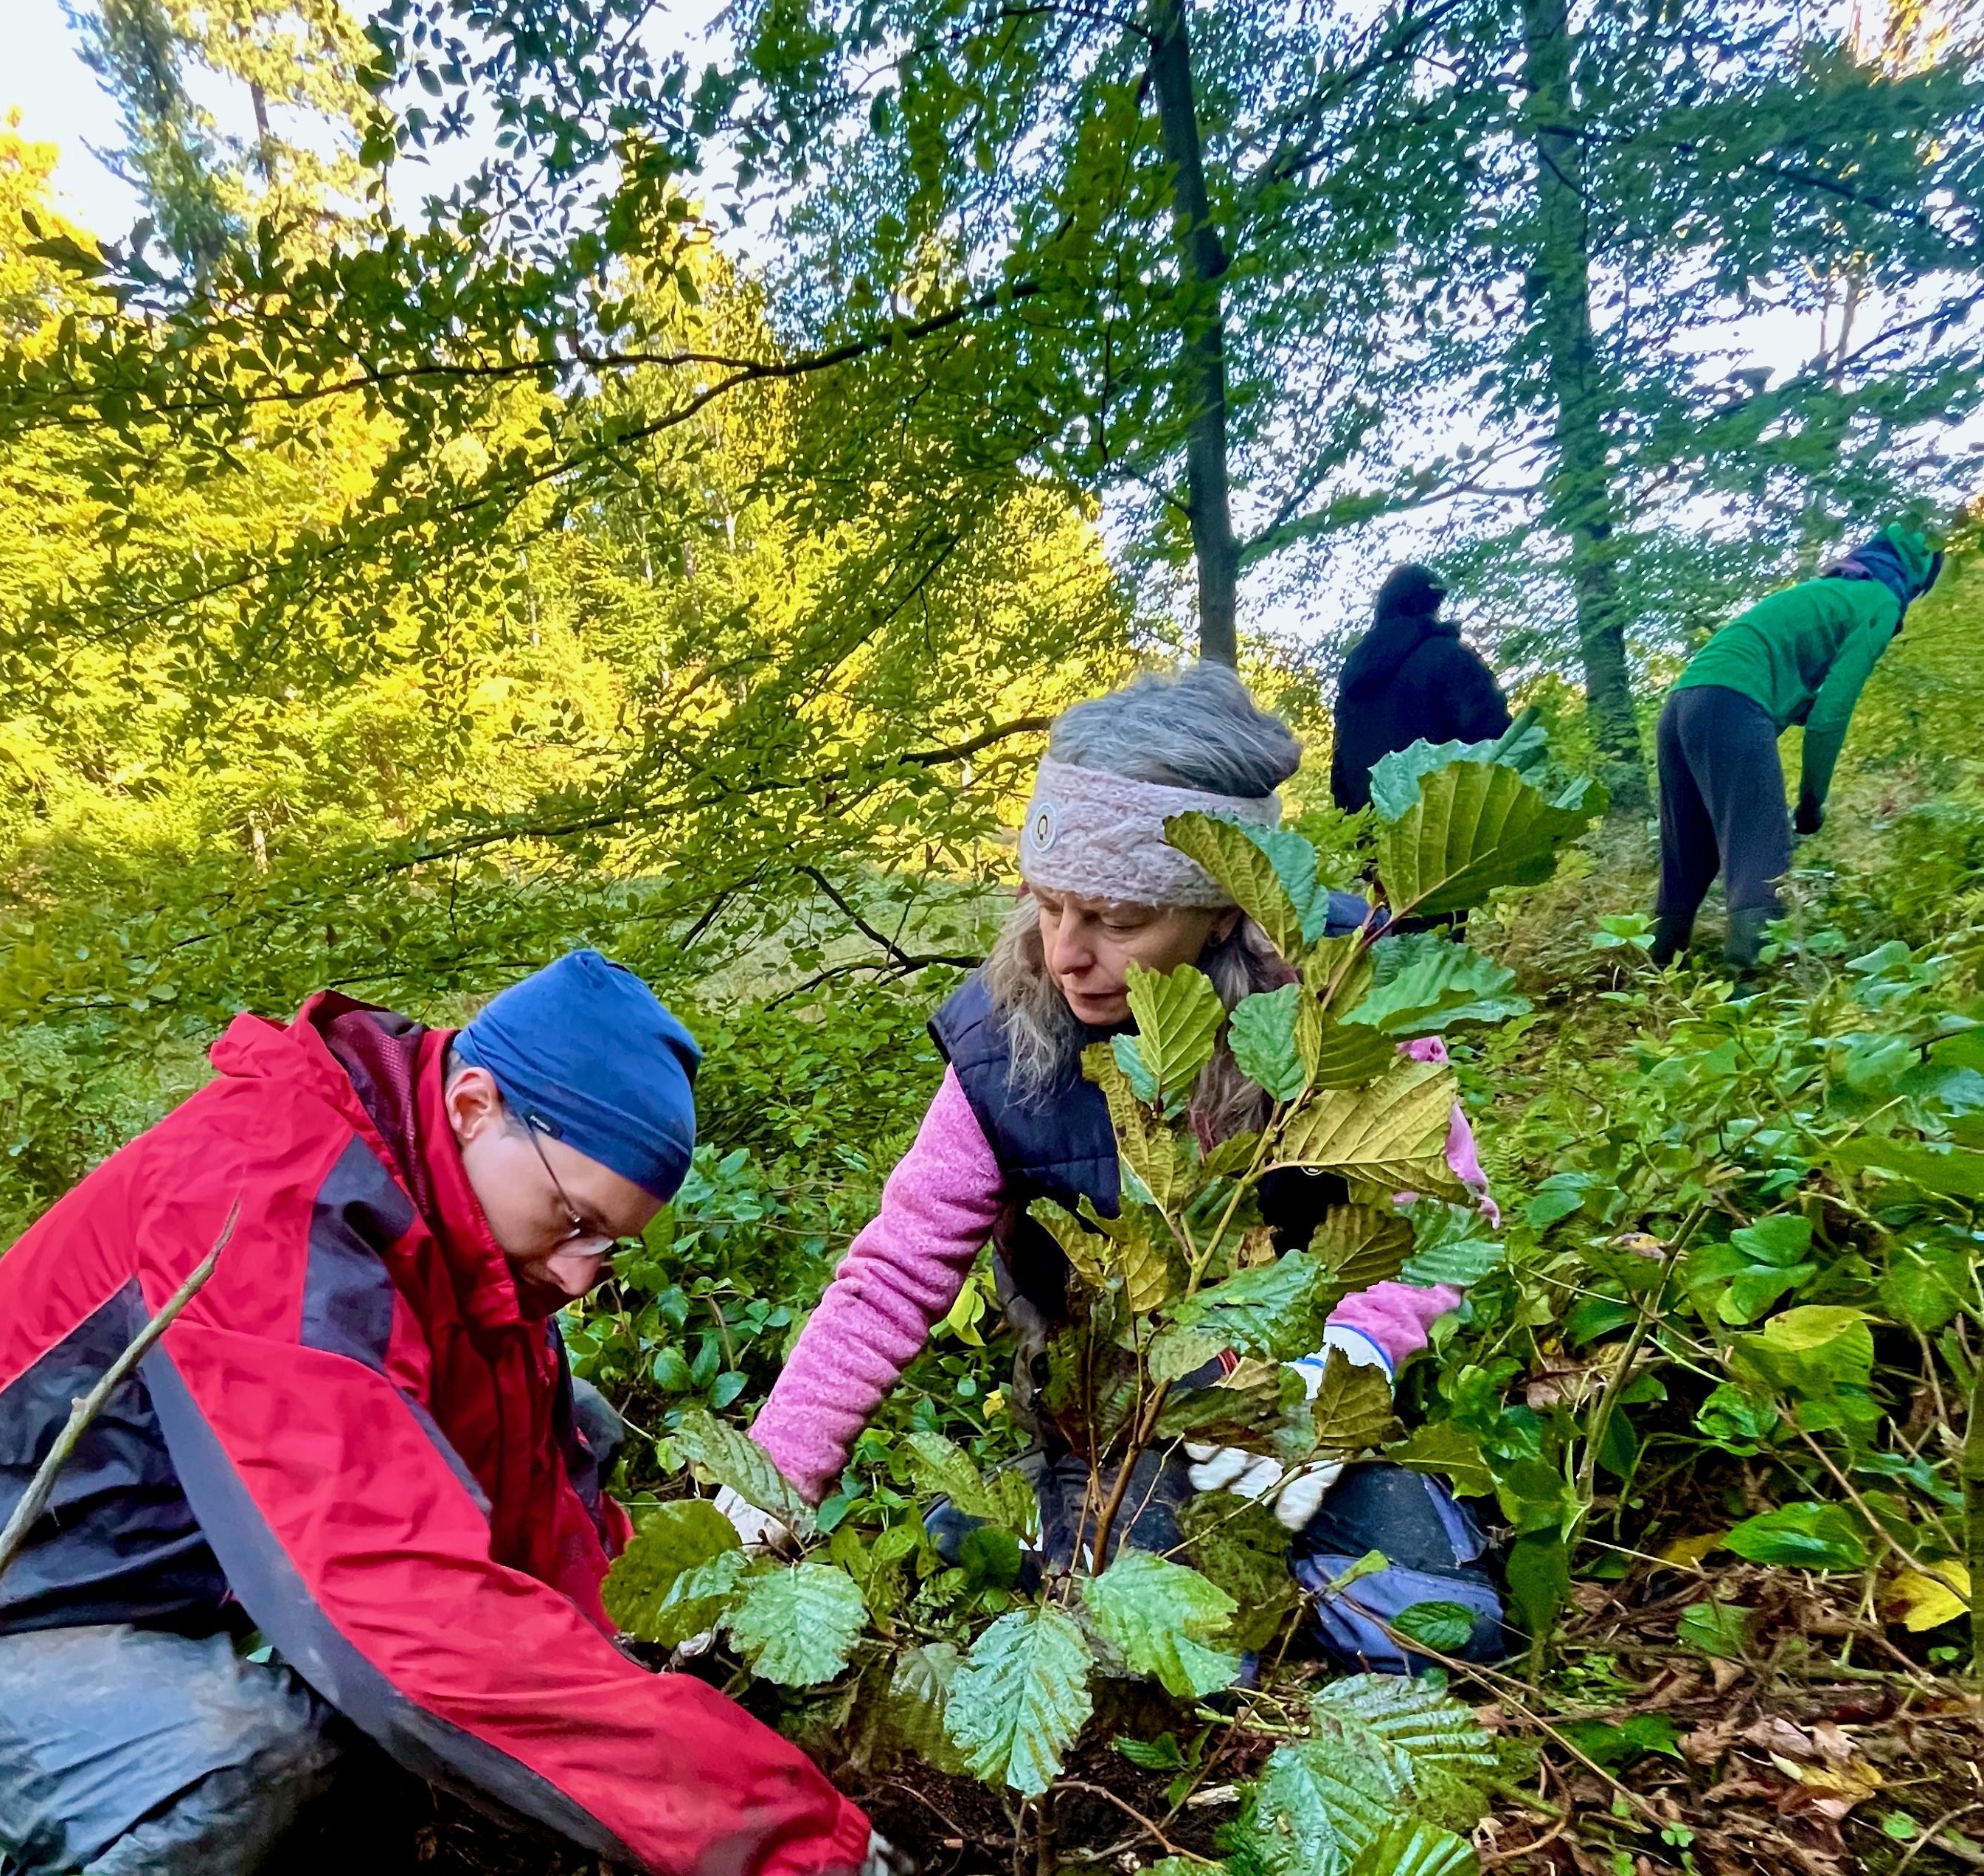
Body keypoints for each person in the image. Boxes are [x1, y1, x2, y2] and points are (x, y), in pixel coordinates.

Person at [0, 952, 878, 1876]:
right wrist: (783, 1841)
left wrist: (630, 1694)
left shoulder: (456, 1227)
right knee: (246, 1758)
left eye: (612, 1245)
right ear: (474, 1107)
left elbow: (531, 1512)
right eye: (575, 1221)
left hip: (126, 1595)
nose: (583, 1272)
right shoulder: (264, 1196)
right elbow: (397, 1611)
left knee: (563, 1424)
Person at [726, 666, 1507, 1669]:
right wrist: (767, 1482)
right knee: (1168, 1660)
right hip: (1114, 1420)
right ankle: (1032, 1531)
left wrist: (1342, 1366)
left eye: (1119, 920)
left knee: (1446, 1630)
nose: (1064, 953)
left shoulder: (1349, 997)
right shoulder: (1006, 1041)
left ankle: (1046, 1550)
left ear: (1228, 911)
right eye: (1048, 904)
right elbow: (894, 1276)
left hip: (1301, 1408)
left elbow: (1451, 1219)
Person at [1653, 523, 1942, 975]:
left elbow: (1788, 676)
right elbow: (1832, 715)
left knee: (1689, 851)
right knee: (1759, 845)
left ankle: (1655, 970)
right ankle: (1750, 982)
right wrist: (1811, 802)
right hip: (1733, 698)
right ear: (1916, 578)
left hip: (1683, 702)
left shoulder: (1827, 593)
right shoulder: (1880, 601)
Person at [1330, 565, 1510, 814]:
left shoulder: (1354, 680)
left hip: (1370, 832)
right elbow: (1494, 740)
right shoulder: (1450, 658)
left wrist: (1349, 826)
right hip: (1441, 824)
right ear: (1432, 604)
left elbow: (1341, 769)